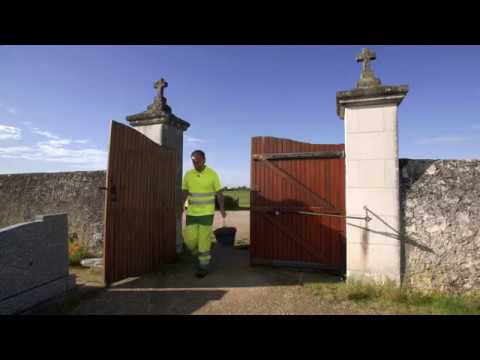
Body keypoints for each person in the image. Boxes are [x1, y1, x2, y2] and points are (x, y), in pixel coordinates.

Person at [181, 150, 226, 278]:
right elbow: (184, 192)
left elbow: (219, 193)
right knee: (190, 241)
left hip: (207, 214)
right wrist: (180, 206)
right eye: (193, 161)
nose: (195, 163)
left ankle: (203, 267)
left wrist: (222, 209)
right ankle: (198, 253)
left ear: (204, 160)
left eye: (198, 161)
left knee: (203, 242)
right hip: (192, 213)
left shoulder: (212, 174)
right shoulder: (188, 175)